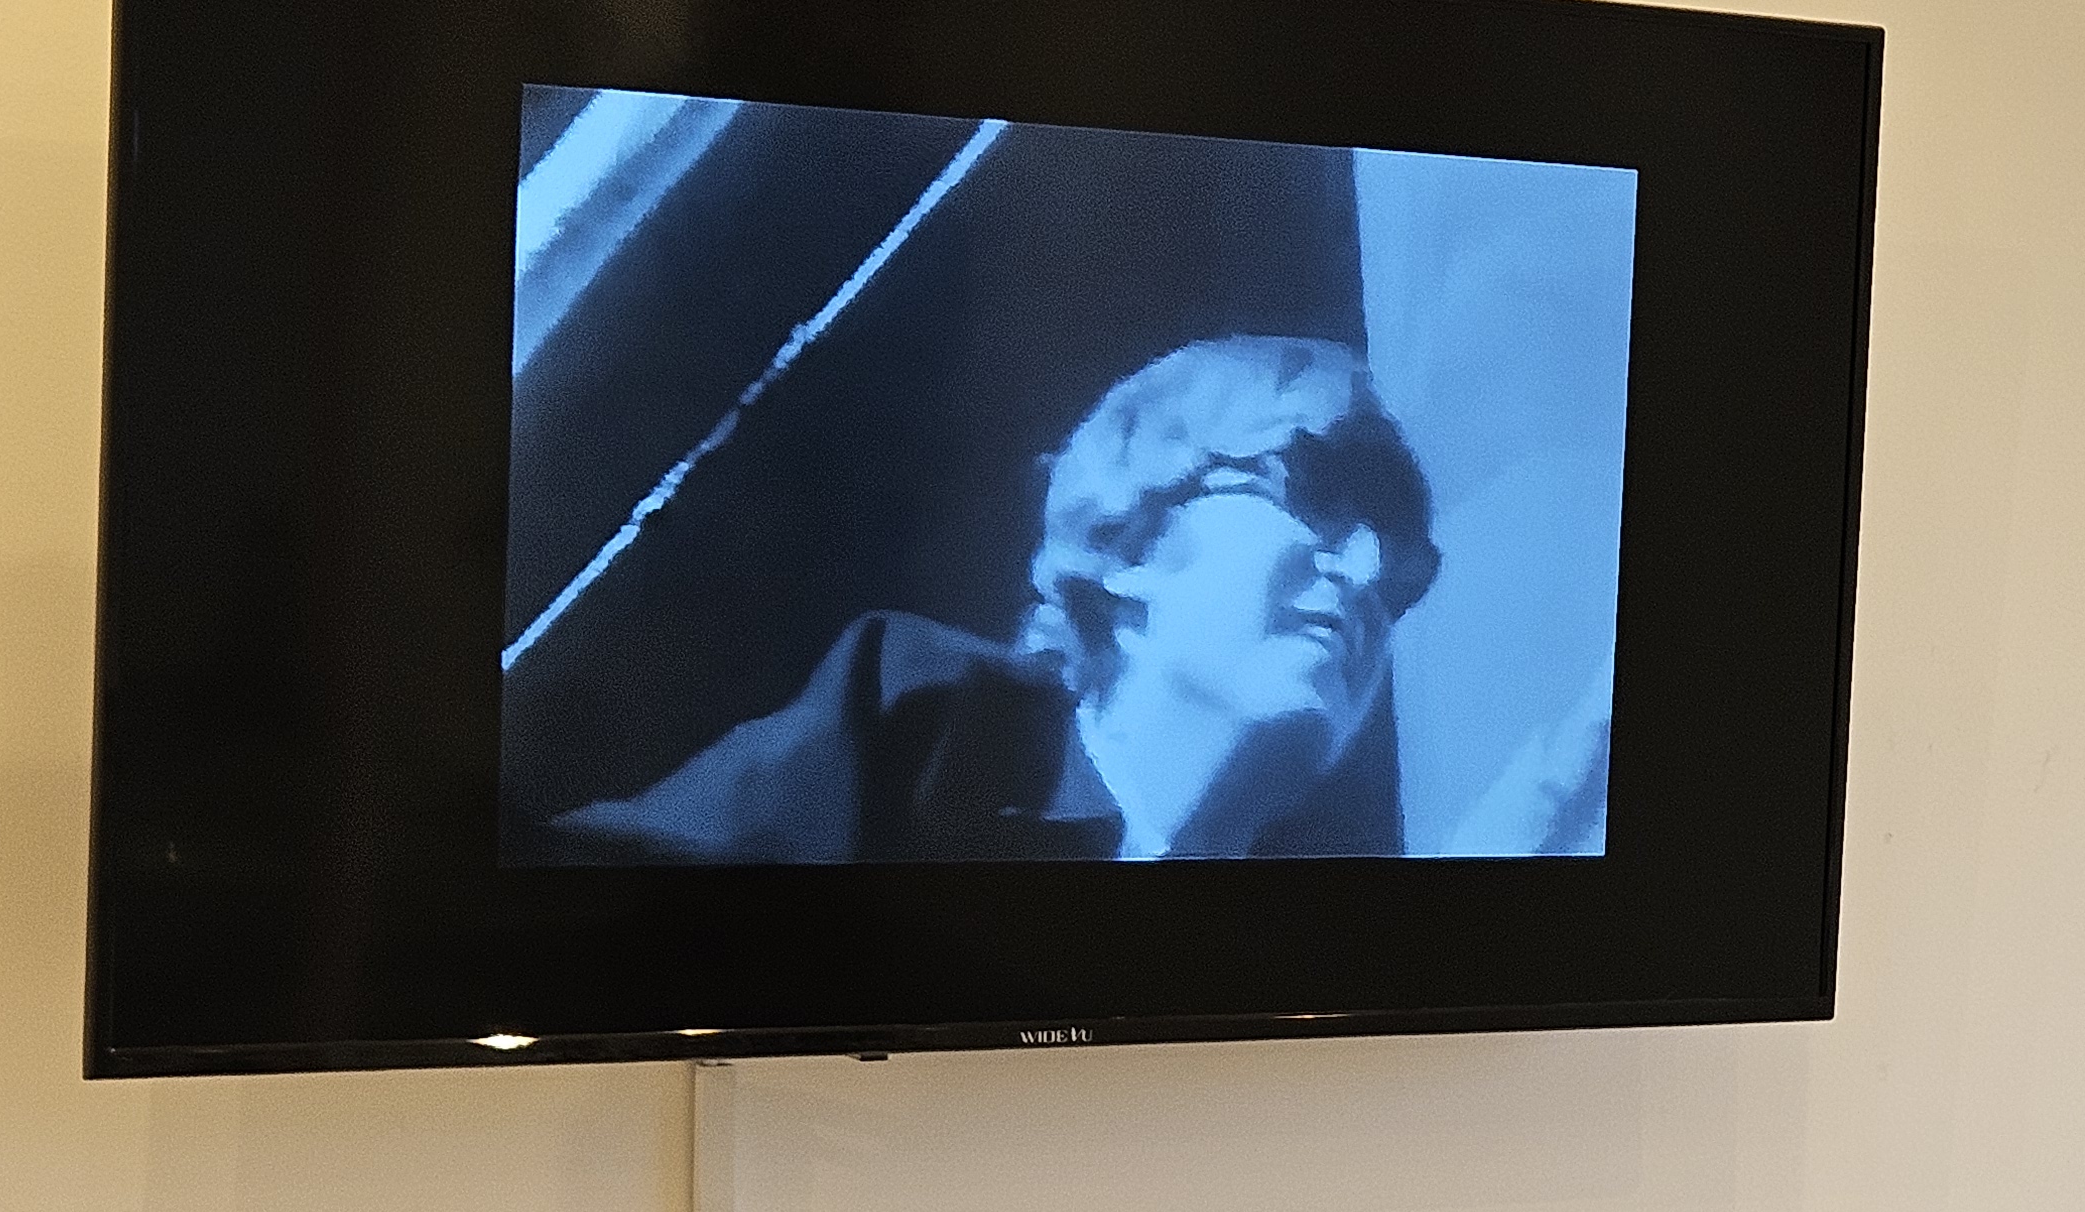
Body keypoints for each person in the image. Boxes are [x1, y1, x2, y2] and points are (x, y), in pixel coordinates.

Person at [553, 335, 1440, 862]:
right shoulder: (931, 726)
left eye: (1402, 569)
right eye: (1311, 496)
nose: (1367, 571)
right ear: (1132, 543)